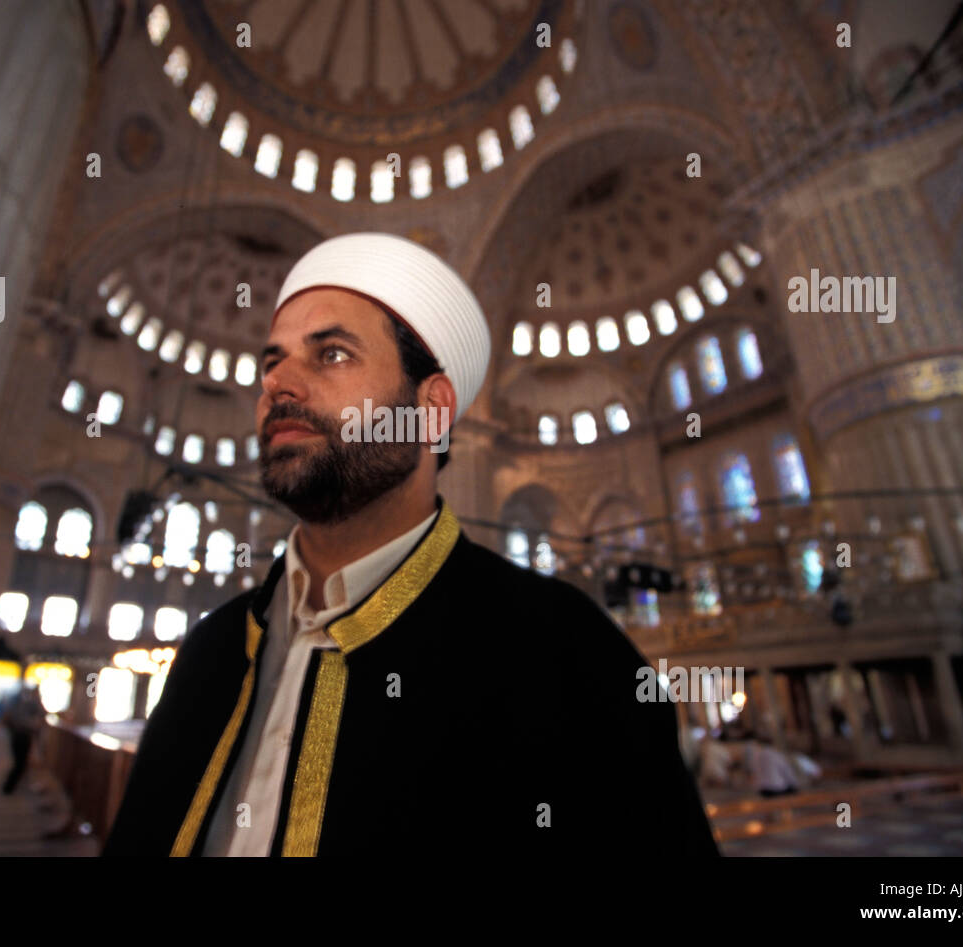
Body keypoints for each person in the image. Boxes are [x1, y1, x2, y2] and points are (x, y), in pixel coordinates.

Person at [103, 232, 719, 857]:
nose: (278, 385)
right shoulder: (212, 650)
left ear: (431, 410)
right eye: (271, 361)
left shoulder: (564, 653)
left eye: (333, 355)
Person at [2, 683, 44, 795]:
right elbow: (41, 713)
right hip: (23, 735)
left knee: (19, 763)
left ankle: (9, 787)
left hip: (18, 734)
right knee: (20, 764)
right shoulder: (30, 704)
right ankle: (8, 788)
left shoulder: (20, 703)